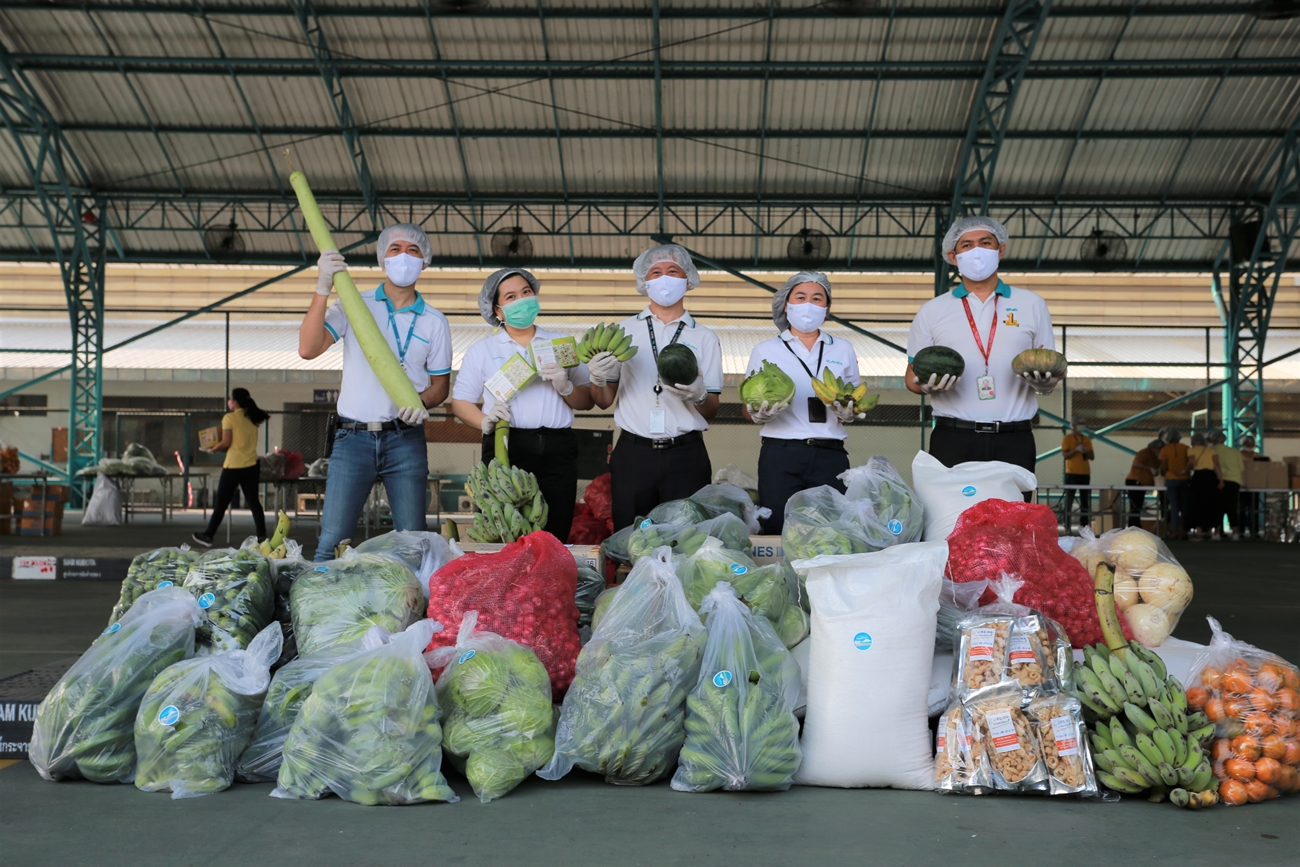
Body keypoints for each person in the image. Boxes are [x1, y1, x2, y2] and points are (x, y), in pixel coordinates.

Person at [300, 223, 451, 561]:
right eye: (394, 249)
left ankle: (411, 612)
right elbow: (308, 349)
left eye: (413, 250)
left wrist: (421, 403)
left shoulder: (434, 321)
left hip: (405, 439)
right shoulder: (356, 304)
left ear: (424, 260)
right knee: (332, 542)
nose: (403, 256)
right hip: (352, 439)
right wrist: (323, 287)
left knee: (413, 545)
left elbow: (441, 385)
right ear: (382, 257)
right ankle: (317, 610)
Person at [905, 216, 1059, 475]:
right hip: (953, 436)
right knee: (953, 515)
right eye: (967, 245)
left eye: (985, 243)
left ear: (1000, 250)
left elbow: (1048, 365)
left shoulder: (1032, 304)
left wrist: (1047, 385)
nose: (976, 251)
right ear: (954, 257)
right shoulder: (933, 310)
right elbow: (910, 376)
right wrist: (923, 385)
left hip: (1014, 438)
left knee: (1013, 516)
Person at [451, 268, 594, 542]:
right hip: (506, 446)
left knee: (555, 529)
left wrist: (566, 387)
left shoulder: (561, 343)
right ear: (498, 310)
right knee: (506, 533)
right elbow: (460, 403)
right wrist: (484, 420)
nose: (521, 300)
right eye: (511, 296)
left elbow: (586, 401)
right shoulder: (483, 350)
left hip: (557, 449)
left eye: (526, 292)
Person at [589, 243, 723, 531]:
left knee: (688, 538)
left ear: (688, 280)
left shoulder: (705, 337)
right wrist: (598, 379)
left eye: (673, 271)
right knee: (631, 538)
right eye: (656, 272)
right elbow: (602, 401)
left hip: (686, 454)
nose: (664, 278)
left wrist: (699, 394)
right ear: (644, 282)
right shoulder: (622, 331)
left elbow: (711, 408)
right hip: (633, 453)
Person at [742, 271, 863, 534]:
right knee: (778, 528)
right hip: (780, 454)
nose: (808, 304)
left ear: (827, 309)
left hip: (830, 453)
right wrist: (756, 413)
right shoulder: (765, 349)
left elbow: (854, 396)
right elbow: (746, 403)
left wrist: (850, 411)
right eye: (801, 297)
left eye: (817, 298)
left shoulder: (842, 348)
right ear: (786, 304)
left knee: (832, 531)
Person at [191, 388, 269, 547]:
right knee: (254, 502)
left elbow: (226, 443)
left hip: (233, 465)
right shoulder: (252, 418)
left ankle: (208, 535)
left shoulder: (229, 418)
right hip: (251, 465)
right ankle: (262, 536)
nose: (228, 401)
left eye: (230, 399)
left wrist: (213, 448)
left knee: (221, 503)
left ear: (234, 402)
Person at [1186, 433, 1223, 540]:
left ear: (1193, 442)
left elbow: (1191, 461)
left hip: (1198, 478)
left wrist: (1185, 470)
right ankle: (1209, 532)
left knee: (1197, 504)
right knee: (1211, 504)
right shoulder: (1212, 450)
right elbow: (1217, 465)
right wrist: (1221, 480)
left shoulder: (1191, 450)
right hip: (1211, 478)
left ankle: (1199, 532)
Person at [1209, 429, 1243, 540]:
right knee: (1232, 507)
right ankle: (1235, 533)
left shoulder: (1211, 450)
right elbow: (1241, 468)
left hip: (1218, 481)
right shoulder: (1234, 451)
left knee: (1218, 507)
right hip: (1234, 481)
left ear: (1213, 440)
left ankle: (1217, 533)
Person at [1060, 419, 1095, 531]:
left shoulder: (1087, 439)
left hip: (1085, 473)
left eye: (1083, 424)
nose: (1082, 426)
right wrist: (1076, 450)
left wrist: (1085, 451)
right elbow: (1065, 455)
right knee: (1069, 499)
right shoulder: (1067, 439)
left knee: (1084, 500)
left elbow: (1092, 456)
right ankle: (1067, 524)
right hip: (1072, 473)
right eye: (1080, 424)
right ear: (1074, 425)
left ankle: (1084, 525)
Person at [1158, 429, 1191, 539]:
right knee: (1185, 506)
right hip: (1185, 479)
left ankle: (1175, 530)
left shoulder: (1165, 450)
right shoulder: (1186, 448)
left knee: (1174, 507)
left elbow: (1163, 466)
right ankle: (1185, 530)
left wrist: (1168, 470)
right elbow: (1191, 463)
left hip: (1171, 480)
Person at [1124, 439, 1163, 527]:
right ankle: (1133, 525)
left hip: (1143, 484)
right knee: (1135, 506)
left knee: (1138, 506)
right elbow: (1136, 463)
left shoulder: (1156, 458)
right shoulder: (1145, 452)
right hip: (1135, 481)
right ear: (1155, 448)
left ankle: (1135, 525)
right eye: (1159, 449)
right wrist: (1149, 468)